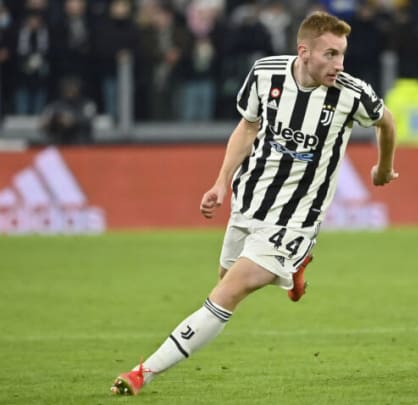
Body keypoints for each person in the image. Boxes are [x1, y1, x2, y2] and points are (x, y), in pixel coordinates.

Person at [110, 11, 398, 396]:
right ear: (304, 52)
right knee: (223, 283)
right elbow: (247, 127)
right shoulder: (266, 74)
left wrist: (383, 166)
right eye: (330, 54)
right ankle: (293, 272)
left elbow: (387, 121)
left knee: (226, 295)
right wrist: (220, 182)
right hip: (249, 202)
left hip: (295, 219)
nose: (339, 64)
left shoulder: (350, 93)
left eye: (342, 54)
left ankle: (141, 373)